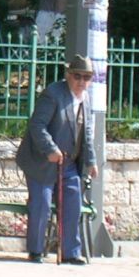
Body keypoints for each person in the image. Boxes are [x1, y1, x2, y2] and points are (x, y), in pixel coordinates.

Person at [16, 54, 98, 265]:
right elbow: (37, 125)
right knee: (42, 203)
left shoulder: (86, 99)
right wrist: (50, 149)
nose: (82, 81)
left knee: (73, 202)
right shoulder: (53, 94)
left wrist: (91, 161)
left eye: (87, 77)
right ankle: (36, 251)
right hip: (42, 162)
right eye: (77, 76)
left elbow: (87, 133)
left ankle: (71, 252)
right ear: (68, 75)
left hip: (68, 163)